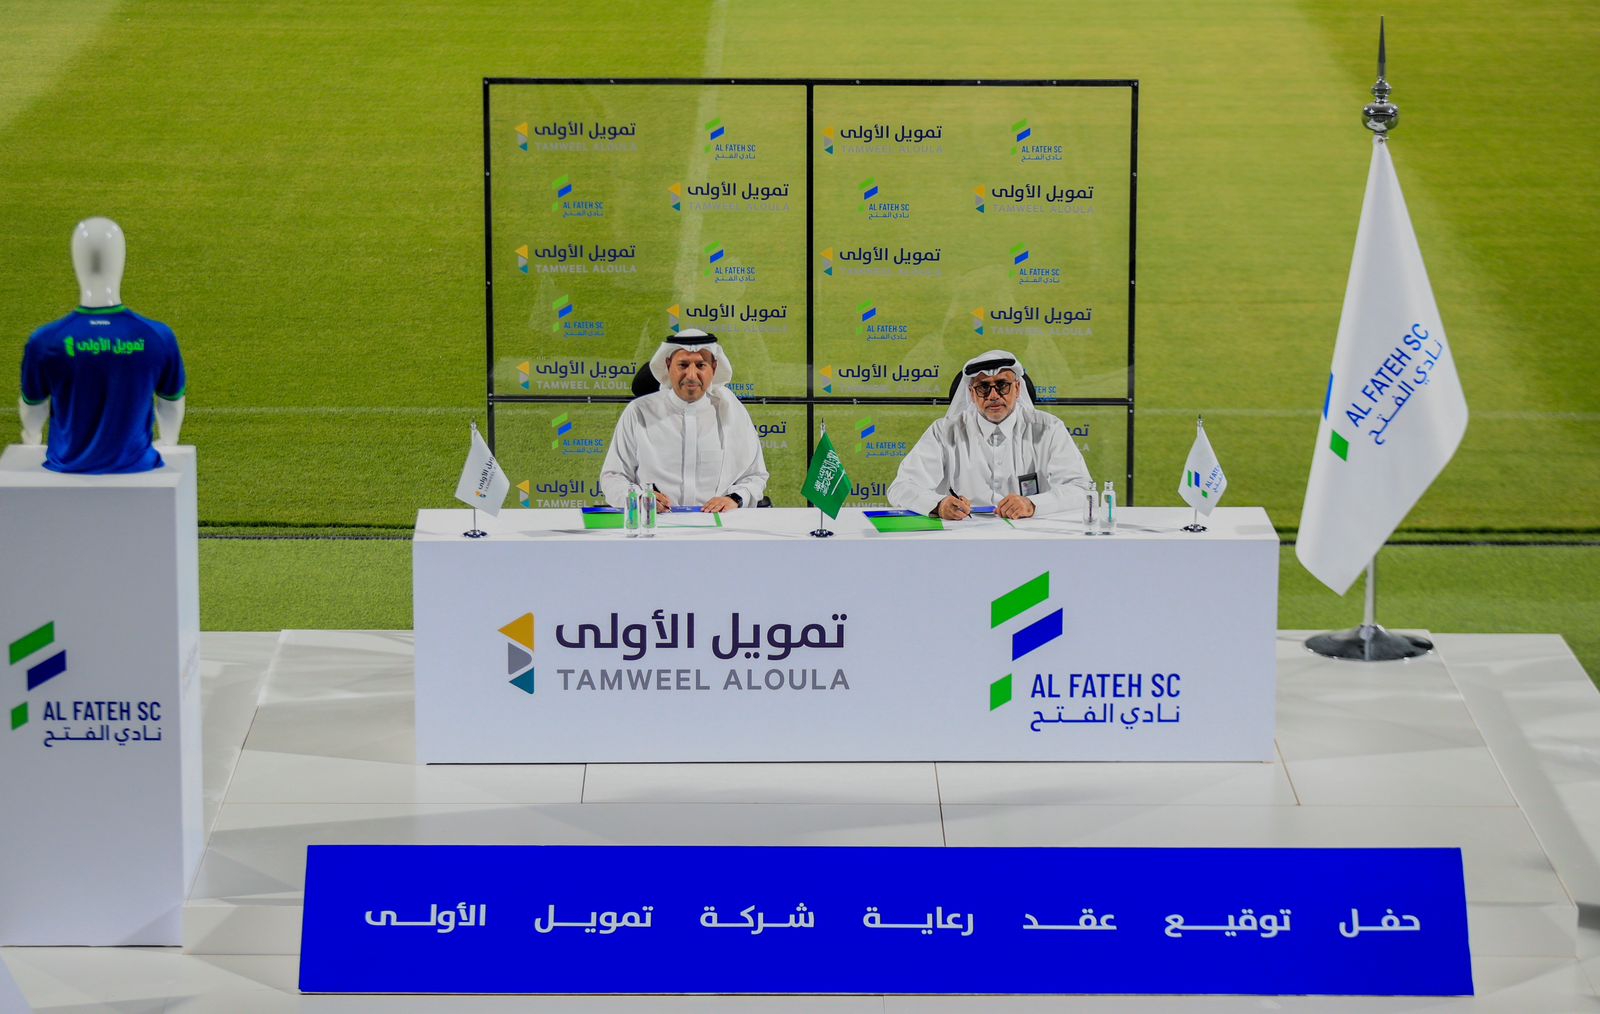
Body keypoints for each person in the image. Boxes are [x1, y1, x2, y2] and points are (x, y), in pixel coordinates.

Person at [18, 217, 186, 473]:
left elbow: (33, 407)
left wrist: (31, 438)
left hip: (67, 467)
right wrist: (169, 442)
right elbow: (171, 403)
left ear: (76, 261)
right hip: (138, 467)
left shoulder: (45, 341)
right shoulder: (158, 337)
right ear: (121, 260)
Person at [888, 349, 1092, 520]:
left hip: (1029, 537)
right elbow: (901, 487)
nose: (993, 396)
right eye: (983, 387)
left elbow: (1081, 489)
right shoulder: (944, 431)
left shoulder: (1049, 429)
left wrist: (1032, 504)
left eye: (1002, 385)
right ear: (971, 393)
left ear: (1017, 388)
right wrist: (939, 505)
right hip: (963, 537)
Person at [599, 330, 767, 512]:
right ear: (668, 365)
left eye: (700, 365)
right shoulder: (639, 412)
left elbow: (755, 476)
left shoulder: (732, 412)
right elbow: (613, 477)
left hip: (719, 525)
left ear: (714, 368)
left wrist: (735, 499)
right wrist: (639, 498)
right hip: (655, 523)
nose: (691, 375)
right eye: (683, 365)